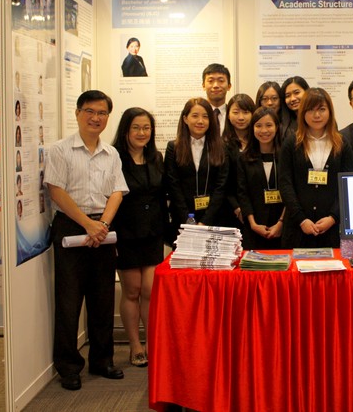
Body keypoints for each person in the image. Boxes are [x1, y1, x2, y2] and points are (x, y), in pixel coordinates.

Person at [44, 90, 128, 391]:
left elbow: (117, 191)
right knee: (68, 301)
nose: (96, 118)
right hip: (71, 226)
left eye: (102, 113)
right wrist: (88, 224)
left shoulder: (112, 154)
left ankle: (102, 360)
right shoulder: (60, 150)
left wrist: (102, 224)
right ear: (78, 113)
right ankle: (68, 366)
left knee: (103, 298)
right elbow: (57, 192)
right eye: (90, 111)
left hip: (102, 229)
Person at [111, 107, 167, 369]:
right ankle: (135, 345)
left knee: (151, 290)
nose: (142, 133)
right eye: (136, 127)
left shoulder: (156, 158)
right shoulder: (114, 159)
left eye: (147, 128)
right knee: (131, 290)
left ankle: (153, 342)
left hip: (153, 231)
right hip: (126, 232)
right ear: (126, 129)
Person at [279, 88, 353, 249]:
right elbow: (285, 184)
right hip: (297, 228)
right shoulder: (291, 143)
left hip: (332, 229)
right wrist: (301, 219)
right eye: (310, 110)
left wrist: (333, 217)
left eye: (321, 109)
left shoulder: (342, 143)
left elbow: (346, 186)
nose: (316, 115)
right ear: (302, 113)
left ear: (330, 111)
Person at [164, 98, 228, 237]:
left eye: (205, 116)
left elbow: (221, 186)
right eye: (195, 116)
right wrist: (188, 220)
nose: (200, 121)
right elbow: (173, 185)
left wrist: (205, 221)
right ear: (185, 119)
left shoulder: (221, 147)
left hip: (214, 219)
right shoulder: (173, 147)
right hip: (183, 221)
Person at [237, 107, 285, 249]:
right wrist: (253, 224)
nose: (264, 131)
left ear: (277, 127)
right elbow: (242, 193)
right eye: (258, 126)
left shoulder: (286, 156)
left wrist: (281, 223)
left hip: (282, 227)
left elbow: (292, 191)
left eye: (269, 125)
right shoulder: (244, 158)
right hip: (254, 228)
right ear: (252, 129)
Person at [221, 93, 256, 229]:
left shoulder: (260, 142)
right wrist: (236, 207)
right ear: (228, 115)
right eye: (236, 112)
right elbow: (223, 182)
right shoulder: (222, 144)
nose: (241, 117)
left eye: (246, 112)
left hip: (256, 207)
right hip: (230, 209)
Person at [202, 63, 232, 135]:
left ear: (229, 86)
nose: (215, 85)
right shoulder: (197, 114)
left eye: (221, 81)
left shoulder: (233, 114)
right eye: (210, 81)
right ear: (203, 86)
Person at [280, 76, 310, 140]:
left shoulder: (319, 118)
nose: (292, 99)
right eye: (288, 96)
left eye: (296, 93)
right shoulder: (281, 123)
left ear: (306, 92)